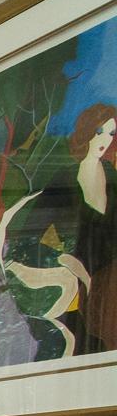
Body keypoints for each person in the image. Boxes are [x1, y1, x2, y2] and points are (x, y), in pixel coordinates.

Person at [70, 103, 117, 354]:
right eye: (100, 130)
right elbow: (43, 234)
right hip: (80, 278)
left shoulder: (112, 175)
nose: (105, 139)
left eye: (111, 133)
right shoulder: (64, 178)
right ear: (86, 130)